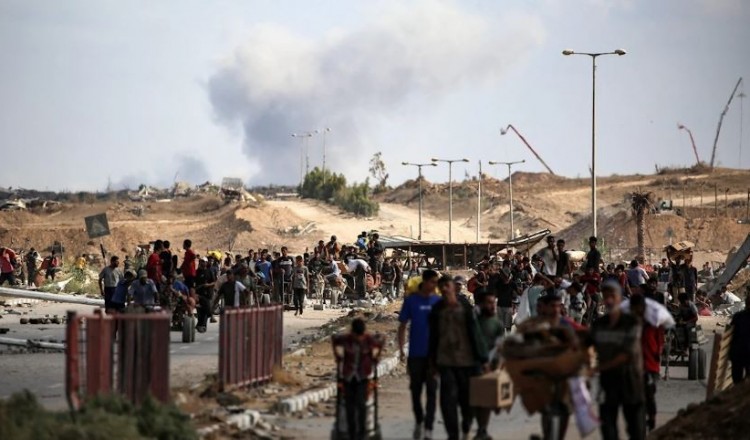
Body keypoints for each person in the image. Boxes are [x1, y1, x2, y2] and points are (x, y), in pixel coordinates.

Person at [428, 276, 488, 440]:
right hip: (445, 362)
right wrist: (431, 362)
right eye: (441, 286)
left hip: (466, 361)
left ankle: (466, 426)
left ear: (453, 287)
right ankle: (452, 435)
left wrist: (483, 359)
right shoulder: (437, 310)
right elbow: (433, 337)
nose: (444, 289)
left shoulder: (465, 307)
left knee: (466, 400)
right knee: (447, 402)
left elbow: (475, 333)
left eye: (447, 285)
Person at [591, 282, 645, 440]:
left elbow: (627, 354)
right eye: (605, 296)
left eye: (612, 296)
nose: (608, 300)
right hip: (608, 383)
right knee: (608, 429)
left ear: (620, 298)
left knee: (636, 430)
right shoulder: (599, 324)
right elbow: (586, 345)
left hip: (630, 381)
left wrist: (596, 368)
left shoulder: (632, 322)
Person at [398, 269, 441, 440]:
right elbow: (402, 326)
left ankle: (428, 427)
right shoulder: (411, 301)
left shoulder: (438, 301)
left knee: (432, 392)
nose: (435, 286)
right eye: (433, 282)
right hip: (415, 355)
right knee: (415, 391)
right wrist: (401, 349)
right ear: (425, 281)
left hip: (433, 356)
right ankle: (419, 420)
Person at [332, 318, 384, 440]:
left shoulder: (368, 339)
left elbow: (381, 341)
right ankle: (351, 433)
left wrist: (376, 357)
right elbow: (334, 339)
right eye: (357, 336)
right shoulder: (346, 339)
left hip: (363, 376)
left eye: (361, 336)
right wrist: (337, 355)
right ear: (353, 332)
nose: (359, 339)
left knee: (361, 403)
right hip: (348, 376)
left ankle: (361, 432)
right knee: (349, 406)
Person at [630, 294, 665, 432]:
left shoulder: (654, 323)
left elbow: (660, 341)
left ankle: (652, 417)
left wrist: (657, 353)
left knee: (650, 393)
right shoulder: (629, 323)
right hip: (633, 365)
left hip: (650, 364)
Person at [473, 291, 504, 440]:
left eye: (494, 303)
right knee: (474, 401)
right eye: (489, 303)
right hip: (473, 365)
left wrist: (497, 368)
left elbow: (500, 348)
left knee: (486, 401)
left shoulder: (497, 324)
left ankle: (482, 429)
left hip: (490, 366)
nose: (492, 306)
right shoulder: (474, 322)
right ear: (481, 305)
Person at [729, 295, 750, 384]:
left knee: (737, 379)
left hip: (737, 353)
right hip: (741, 353)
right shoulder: (738, 316)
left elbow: (729, 332)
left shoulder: (738, 316)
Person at [195, 257, 216, 333]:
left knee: (206, 309)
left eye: (204, 261)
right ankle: (200, 324)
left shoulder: (209, 271)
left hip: (208, 294)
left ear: (206, 263)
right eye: (201, 261)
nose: (202, 263)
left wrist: (208, 285)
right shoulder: (197, 272)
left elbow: (214, 282)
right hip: (199, 294)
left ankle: (203, 325)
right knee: (200, 310)